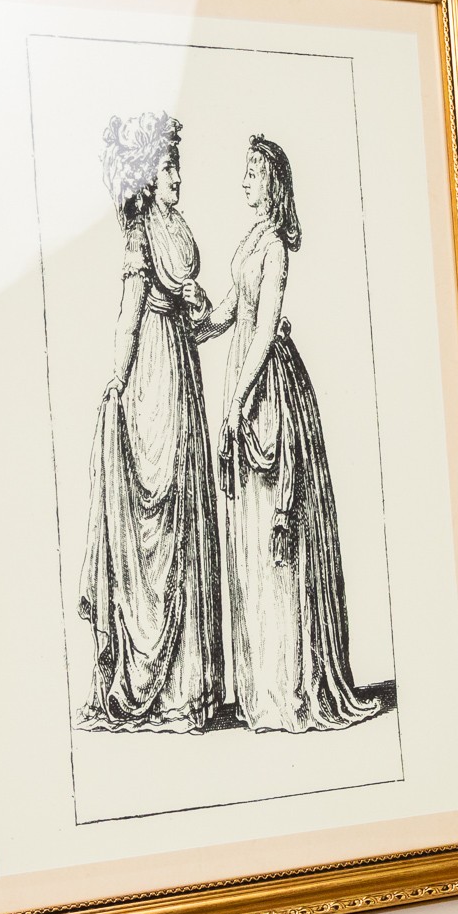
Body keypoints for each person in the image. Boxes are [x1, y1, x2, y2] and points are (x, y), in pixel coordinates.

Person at [195, 134, 381, 733]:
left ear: (273, 182)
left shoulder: (275, 245)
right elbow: (230, 311)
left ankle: (288, 688)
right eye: (245, 171)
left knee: (276, 535)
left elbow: (264, 326)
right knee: (249, 537)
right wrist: (189, 323)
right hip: (244, 380)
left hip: (269, 390)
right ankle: (261, 692)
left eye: (253, 172)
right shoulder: (251, 238)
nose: (244, 181)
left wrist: (237, 401)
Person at [75, 113, 223, 733]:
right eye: (167, 167)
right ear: (146, 175)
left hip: (181, 365)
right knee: (161, 509)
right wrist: (116, 380)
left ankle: (193, 688)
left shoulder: (176, 226)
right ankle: (163, 687)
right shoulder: (141, 233)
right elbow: (130, 315)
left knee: (188, 508)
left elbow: (196, 315)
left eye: (178, 166)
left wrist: (225, 315)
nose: (177, 177)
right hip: (154, 378)